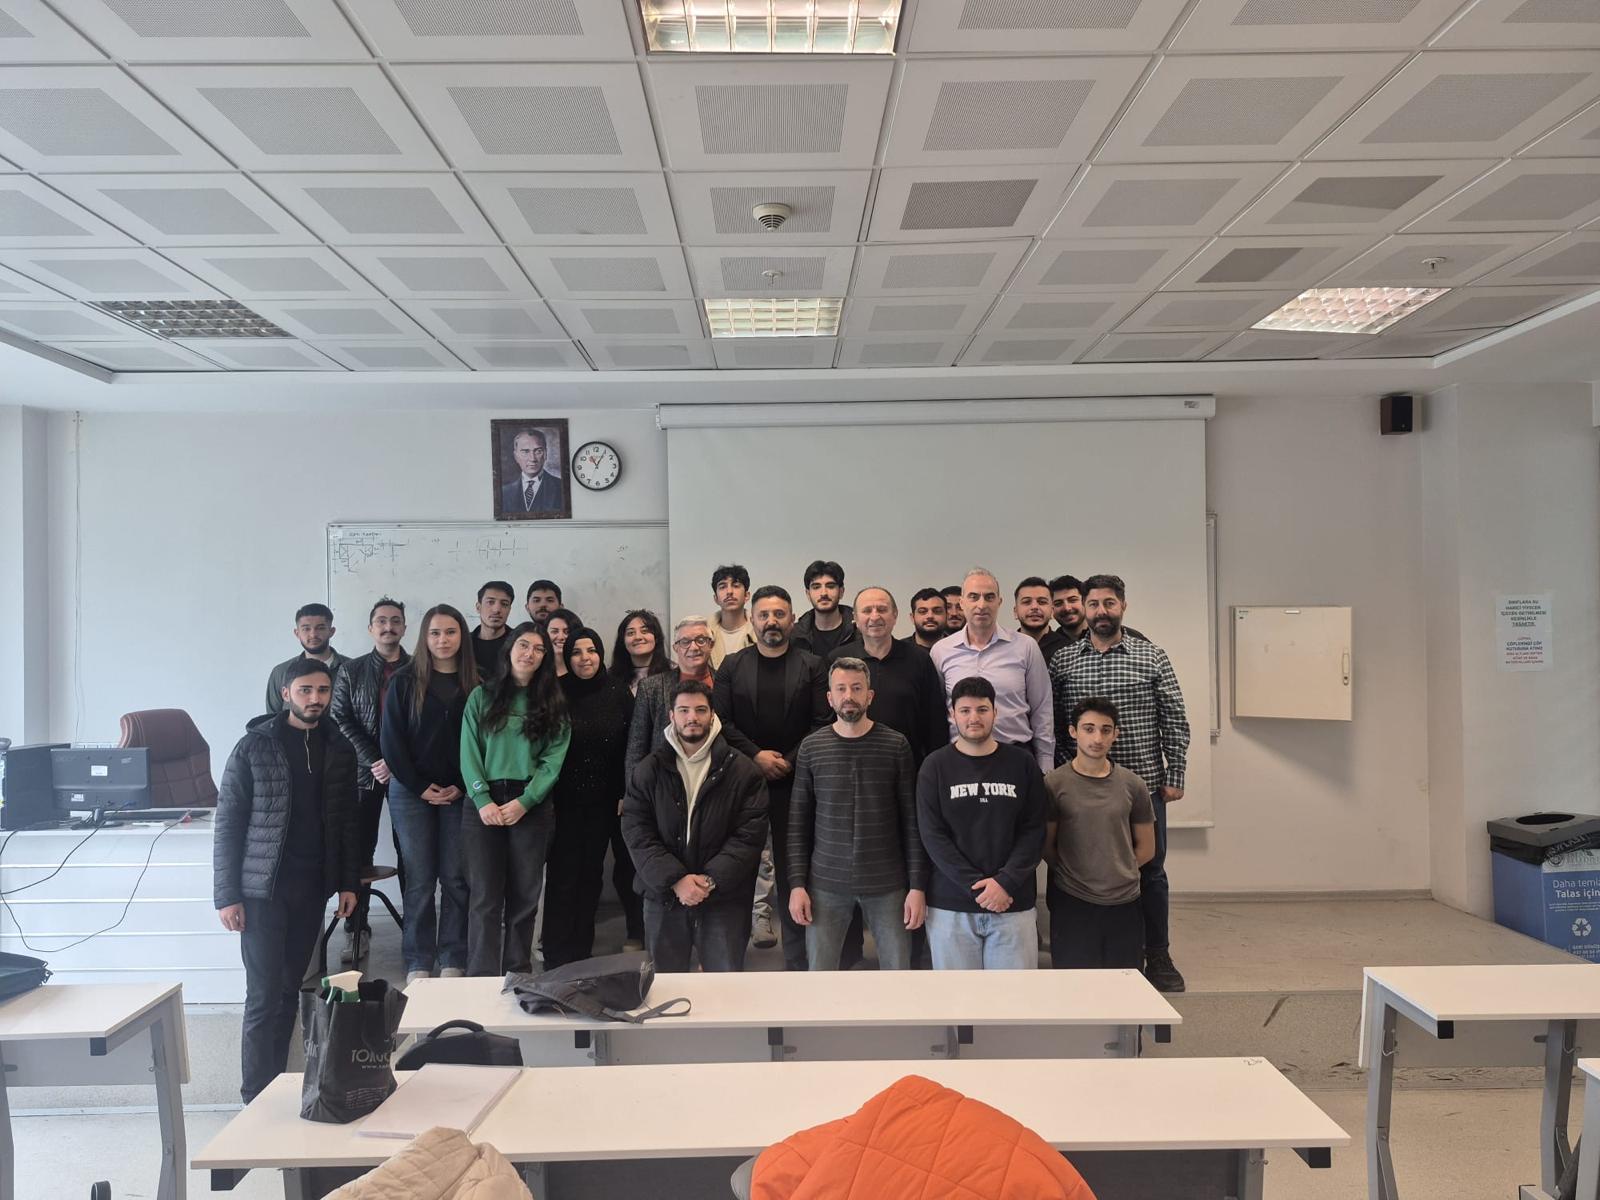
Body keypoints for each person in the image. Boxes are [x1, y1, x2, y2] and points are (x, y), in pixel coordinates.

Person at [215, 658, 359, 1103]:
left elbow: (348, 824)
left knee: (289, 991)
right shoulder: (254, 746)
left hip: (311, 889)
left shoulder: (339, 747)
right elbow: (229, 824)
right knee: (262, 997)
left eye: (322, 691)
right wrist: (227, 895)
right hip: (261, 892)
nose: (315, 699)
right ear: (285, 694)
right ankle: (253, 1097)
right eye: (305, 691)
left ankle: (275, 1087)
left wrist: (349, 883)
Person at [1049, 574, 1189, 992]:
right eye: (1093, 604)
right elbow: (1054, 722)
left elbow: (1174, 717)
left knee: (1150, 870)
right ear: (1084, 608)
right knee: (1075, 866)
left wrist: (1175, 774)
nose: (1101, 612)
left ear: (1122, 606)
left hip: (1141, 785)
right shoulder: (1064, 661)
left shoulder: (1151, 656)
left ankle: (1157, 953)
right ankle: (1077, 946)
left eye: (1109, 603)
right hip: (1081, 789)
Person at [712, 585, 829, 970]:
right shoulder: (732, 666)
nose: (771, 622)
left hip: (796, 784)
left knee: (795, 871)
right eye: (763, 615)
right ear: (753, 619)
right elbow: (721, 722)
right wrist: (756, 757)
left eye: (779, 614)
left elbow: (821, 722)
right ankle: (729, 962)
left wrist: (788, 761)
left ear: (792, 620)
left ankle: (797, 961)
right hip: (743, 784)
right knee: (738, 872)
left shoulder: (813, 666)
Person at [787, 658, 925, 971]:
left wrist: (917, 886)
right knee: (820, 977)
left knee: (899, 975)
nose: (849, 696)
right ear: (830, 698)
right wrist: (796, 885)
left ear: (870, 696)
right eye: (841, 689)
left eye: (856, 688)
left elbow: (911, 822)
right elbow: (797, 825)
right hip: (825, 883)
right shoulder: (811, 748)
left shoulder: (896, 745)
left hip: (888, 883)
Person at [622, 679, 769, 972]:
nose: (692, 717)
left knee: (723, 987)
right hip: (663, 897)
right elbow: (637, 831)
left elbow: (749, 836)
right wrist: (676, 880)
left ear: (712, 715)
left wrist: (708, 881)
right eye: (684, 710)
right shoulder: (648, 770)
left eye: (701, 710)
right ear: (671, 716)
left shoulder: (744, 771)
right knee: (665, 985)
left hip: (723, 899)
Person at [459, 622, 569, 976]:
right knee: (484, 897)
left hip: (530, 805)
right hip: (484, 803)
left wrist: (526, 801)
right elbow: (468, 752)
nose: (529, 653)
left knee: (524, 896)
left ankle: (517, 973)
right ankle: (480, 976)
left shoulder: (552, 702)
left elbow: (553, 761)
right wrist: (482, 799)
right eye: (524, 645)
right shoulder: (482, 696)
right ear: (509, 649)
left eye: (538, 649)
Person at [916, 676, 1047, 971]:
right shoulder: (934, 766)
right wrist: (977, 888)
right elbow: (933, 836)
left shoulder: (1023, 763)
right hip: (951, 906)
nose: (973, 718)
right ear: (952, 714)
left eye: (982, 709)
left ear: (995, 712)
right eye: (965, 710)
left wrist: (1005, 882)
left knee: (1014, 997)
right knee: (956, 997)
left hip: (1012, 903)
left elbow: (1034, 830)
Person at [380, 603, 480, 984]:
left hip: (461, 792)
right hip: (411, 793)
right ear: (424, 637)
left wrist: (462, 784)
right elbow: (391, 743)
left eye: (450, 632)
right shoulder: (404, 681)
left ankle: (453, 955)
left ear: (462, 637)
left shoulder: (478, 683)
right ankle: (418, 959)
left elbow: (483, 743)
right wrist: (421, 788)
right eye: (435, 633)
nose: (442, 640)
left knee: (456, 877)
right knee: (419, 879)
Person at [1043, 697, 1155, 970]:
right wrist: (1078, 873)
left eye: (1106, 730)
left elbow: (1147, 848)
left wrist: (1117, 871)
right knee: (1074, 983)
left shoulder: (1133, 785)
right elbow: (1047, 846)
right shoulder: (1054, 784)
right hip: (1073, 900)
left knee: (1124, 982)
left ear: (1116, 734)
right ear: (1073, 731)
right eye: (1089, 729)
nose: (1097, 738)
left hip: (1124, 900)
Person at [542, 628, 633, 967]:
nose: (585, 658)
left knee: (591, 876)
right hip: (561, 802)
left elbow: (632, 745)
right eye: (576, 652)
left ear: (600, 654)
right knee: (563, 877)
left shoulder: (618, 691)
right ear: (567, 658)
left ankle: (581, 952)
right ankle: (555, 955)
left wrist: (625, 790)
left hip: (605, 803)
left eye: (591, 650)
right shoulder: (556, 691)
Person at [328, 596, 409, 966]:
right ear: (370, 628)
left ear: (404, 627)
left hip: (408, 775)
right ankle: (356, 927)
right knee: (359, 849)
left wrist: (397, 763)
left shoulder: (418, 668)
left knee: (411, 850)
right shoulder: (351, 670)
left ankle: (415, 928)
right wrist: (375, 760)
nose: (388, 627)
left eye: (395, 621)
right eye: (381, 621)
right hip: (363, 774)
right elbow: (340, 718)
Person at [930, 569, 1054, 773]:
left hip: (1016, 758)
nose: (981, 605)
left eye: (989, 597)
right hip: (960, 760)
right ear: (962, 602)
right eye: (973, 597)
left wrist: (1045, 763)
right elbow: (937, 713)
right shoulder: (941, 651)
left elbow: (1042, 709)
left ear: (999, 602)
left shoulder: (1025, 647)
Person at [831, 587, 947, 769]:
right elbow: (828, 720)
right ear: (855, 618)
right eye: (867, 610)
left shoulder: (919, 660)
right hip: (849, 765)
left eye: (882, 609)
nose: (875, 616)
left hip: (908, 767)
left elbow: (935, 722)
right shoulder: (838, 661)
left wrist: (934, 769)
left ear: (895, 615)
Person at [265, 603, 349, 714]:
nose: (313, 634)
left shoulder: (353, 669)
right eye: (306, 629)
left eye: (320, 628)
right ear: (297, 633)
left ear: (331, 631)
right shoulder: (281, 672)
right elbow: (272, 720)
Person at [792, 560, 856, 658]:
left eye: (830, 586)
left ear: (841, 592)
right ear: (808, 594)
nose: (823, 593)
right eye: (816, 587)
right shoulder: (795, 635)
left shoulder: (859, 630)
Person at [500, 427, 566, 515]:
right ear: (516, 456)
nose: (532, 458)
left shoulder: (562, 488)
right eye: (525, 451)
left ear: (545, 454)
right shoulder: (504, 492)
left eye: (538, 451)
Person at [611, 609, 671, 694]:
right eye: (631, 633)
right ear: (623, 641)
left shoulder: (674, 674)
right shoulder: (610, 678)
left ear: (656, 638)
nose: (638, 637)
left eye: (645, 631)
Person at [709, 564, 756, 668]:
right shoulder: (704, 635)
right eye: (722, 587)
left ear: (747, 595)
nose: (729, 592)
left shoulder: (760, 632)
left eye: (736, 585)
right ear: (716, 598)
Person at [469, 580, 515, 679]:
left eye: (504, 604)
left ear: (509, 610)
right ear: (478, 607)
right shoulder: (464, 643)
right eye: (490, 602)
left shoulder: (518, 642)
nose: (497, 609)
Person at [1015, 576, 1068, 661]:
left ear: (1052, 611)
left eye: (1042, 602)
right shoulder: (1003, 649)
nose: (1034, 607)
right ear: (1015, 612)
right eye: (1026, 602)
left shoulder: (1069, 649)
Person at [1049, 575, 1087, 645]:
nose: (1067, 608)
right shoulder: (1050, 645)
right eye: (1058, 603)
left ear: (1085, 601)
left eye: (1072, 600)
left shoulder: (1104, 637)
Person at [545, 607, 581, 677]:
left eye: (567, 632)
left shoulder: (586, 667)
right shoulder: (536, 669)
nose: (560, 637)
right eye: (554, 631)